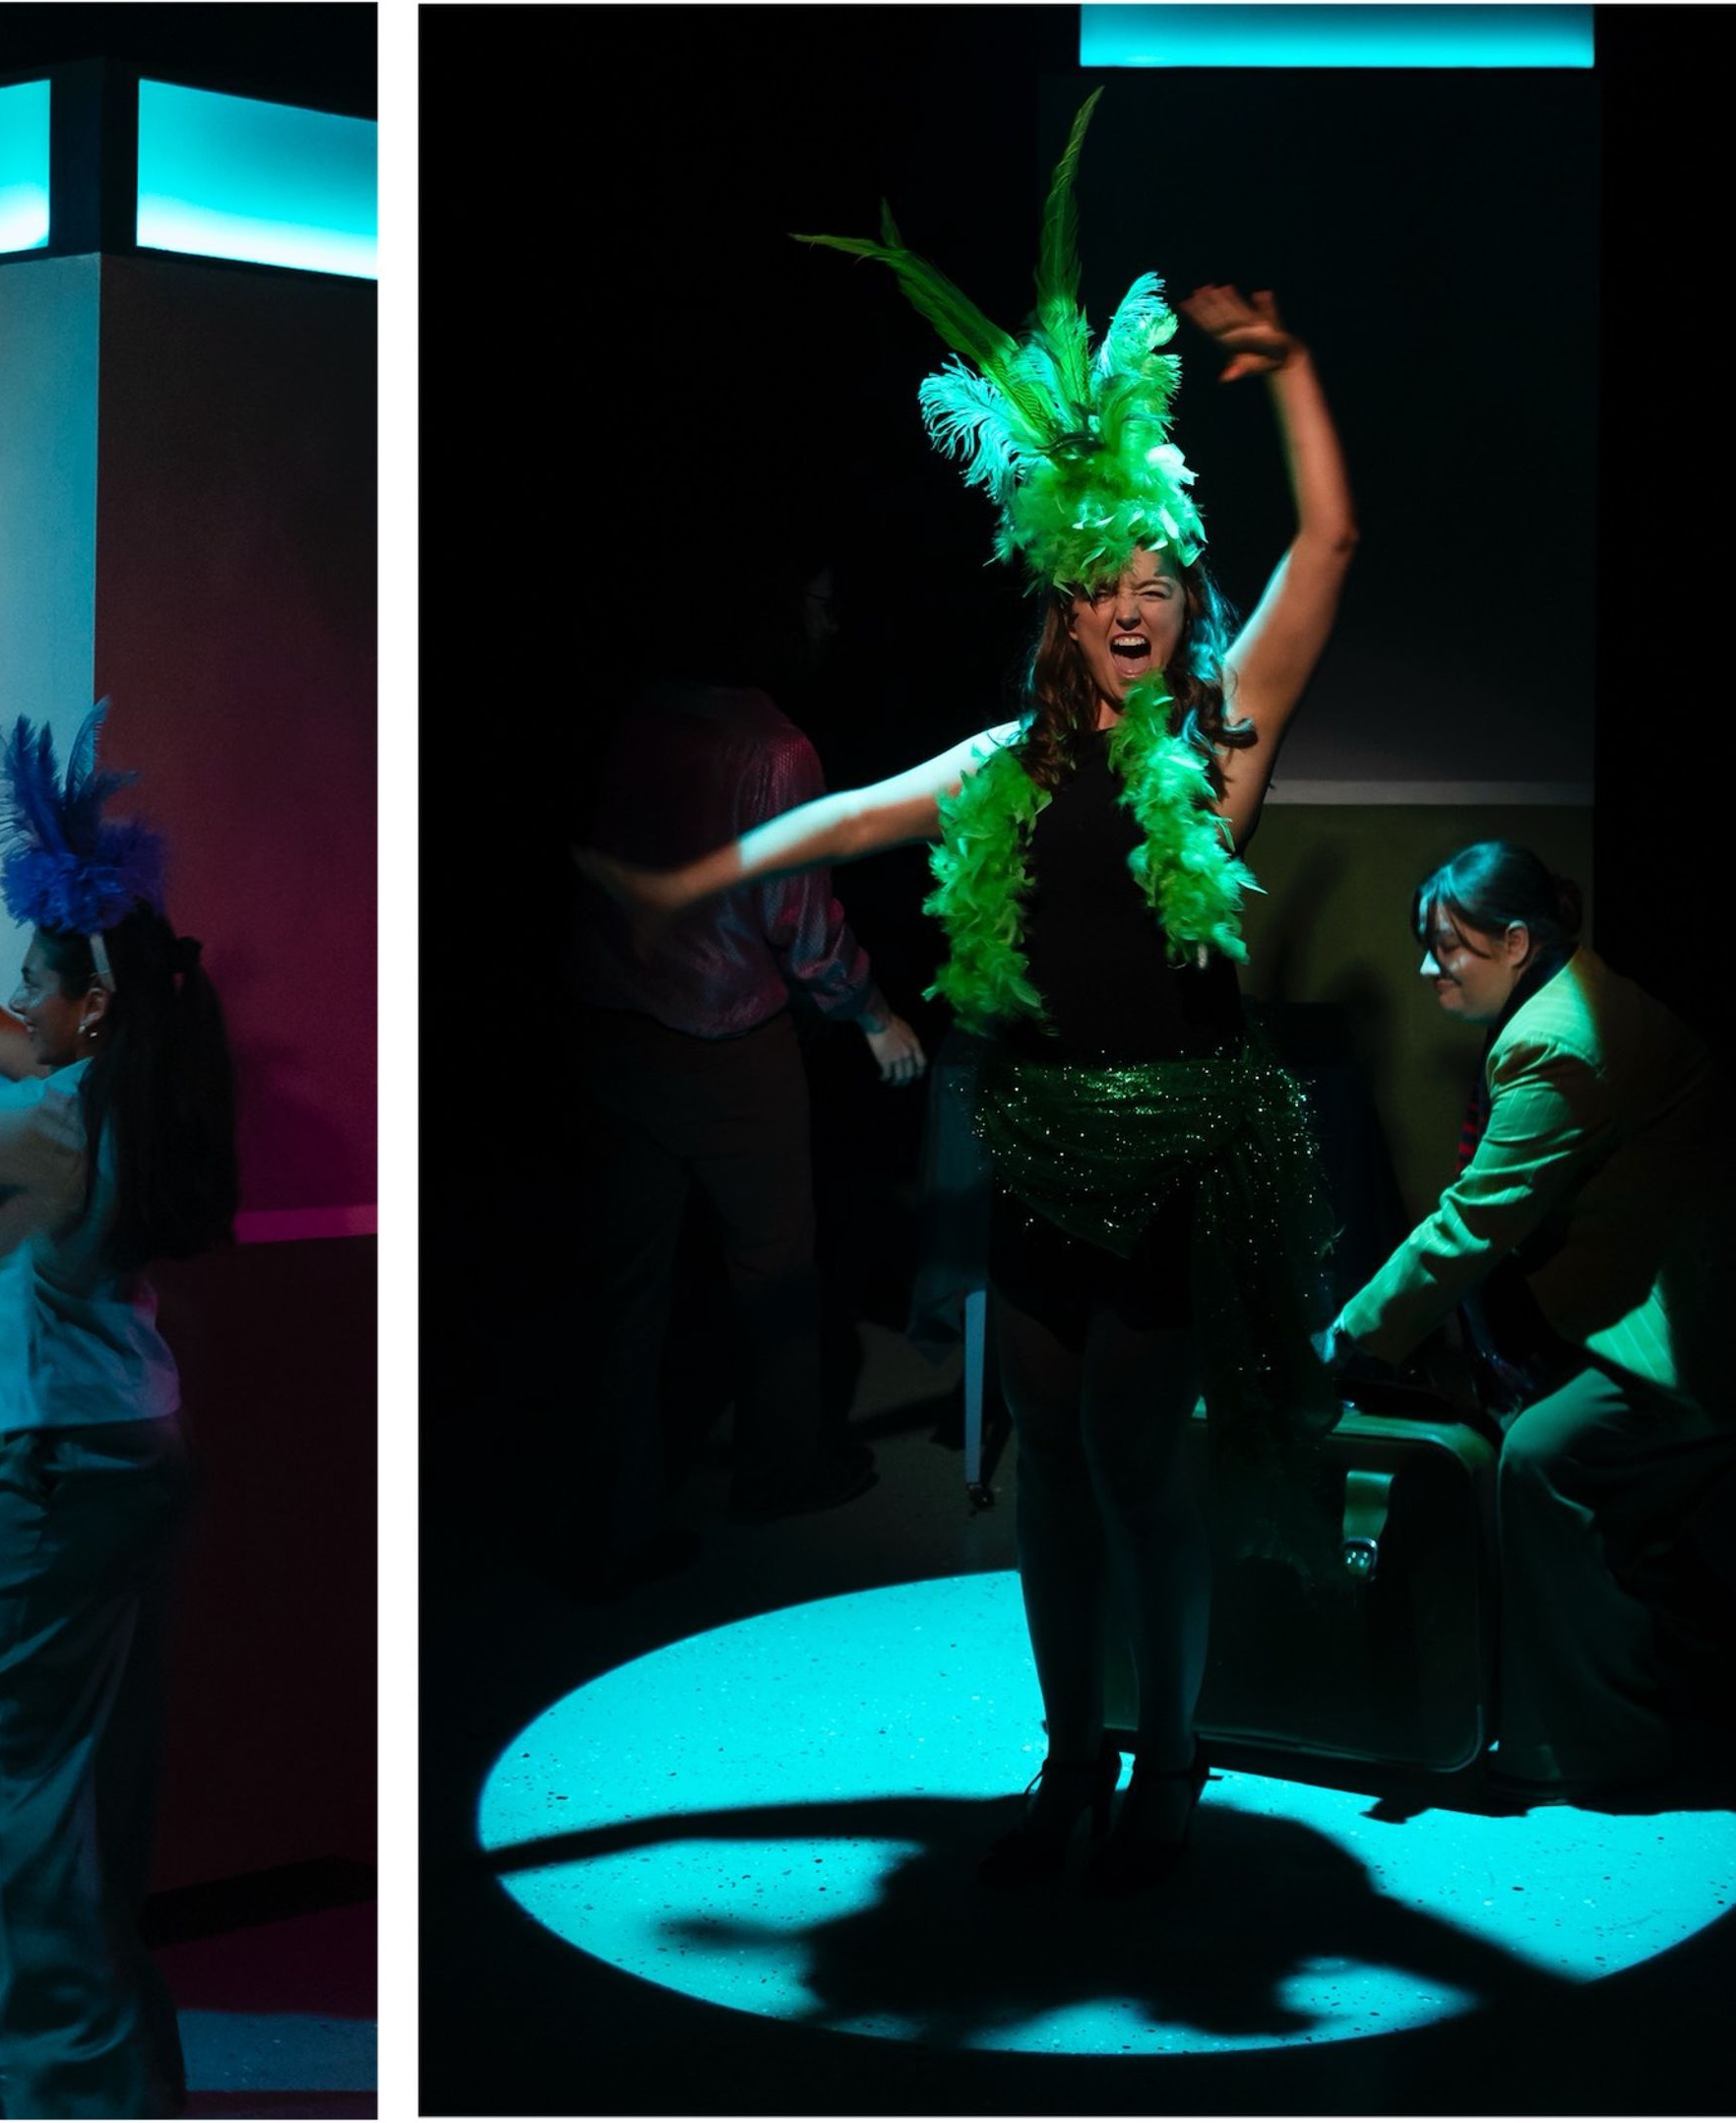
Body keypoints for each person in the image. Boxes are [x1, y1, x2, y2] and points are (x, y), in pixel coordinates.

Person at [588, 91, 1358, 1894]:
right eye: (1112, 580)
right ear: (1064, 596)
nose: (1141, 606)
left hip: (1170, 1141)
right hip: (1037, 1141)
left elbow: (1323, 557)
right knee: (1053, 1463)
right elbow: (853, 811)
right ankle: (1072, 1738)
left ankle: (1173, 1750)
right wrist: (693, 876)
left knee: (1141, 1465)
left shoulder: (1221, 751)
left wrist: (1300, 369)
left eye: (1166, 581)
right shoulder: (1010, 757)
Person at [0, 702, 235, 2116]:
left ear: (89, 1004)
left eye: (45, 982)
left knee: (5, 1780)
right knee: (84, 1798)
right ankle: (126, 2089)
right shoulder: (115, 1083)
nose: (19, 1007)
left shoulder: (58, 1115)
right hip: (138, 1449)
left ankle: (65, 2086)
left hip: (69, 1476)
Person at [1327, 843, 1736, 1800]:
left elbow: (1470, 1228)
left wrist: (1338, 1344)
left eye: (1446, 948)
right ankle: (1697, 1693)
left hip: (1716, 1330)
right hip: (1695, 1298)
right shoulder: (1559, 1002)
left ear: (1515, 940)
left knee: (1544, 1460)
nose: (1427, 969)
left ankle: (1608, 1748)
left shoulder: (1556, 1041)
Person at [566, 565, 923, 1595]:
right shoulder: (776, 749)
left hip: (612, 1030)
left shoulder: (637, 716)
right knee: (776, 1270)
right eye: (814, 598)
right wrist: (876, 1015)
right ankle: (780, 1471)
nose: (830, 613)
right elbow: (802, 926)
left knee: (623, 1295)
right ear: (769, 619)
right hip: (724, 1044)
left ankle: (615, 1524)